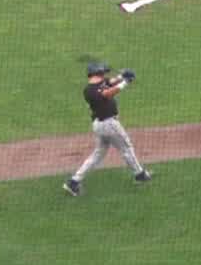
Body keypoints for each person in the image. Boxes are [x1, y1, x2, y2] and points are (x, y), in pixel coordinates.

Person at [64, 62, 150, 195]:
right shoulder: (90, 91)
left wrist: (122, 76)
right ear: (97, 73)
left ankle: (74, 181)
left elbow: (109, 82)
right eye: (102, 72)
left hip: (100, 125)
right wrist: (125, 82)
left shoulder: (97, 85)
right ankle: (140, 174)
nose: (105, 74)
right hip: (109, 124)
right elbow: (108, 93)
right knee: (126, 148)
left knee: (98, 154)